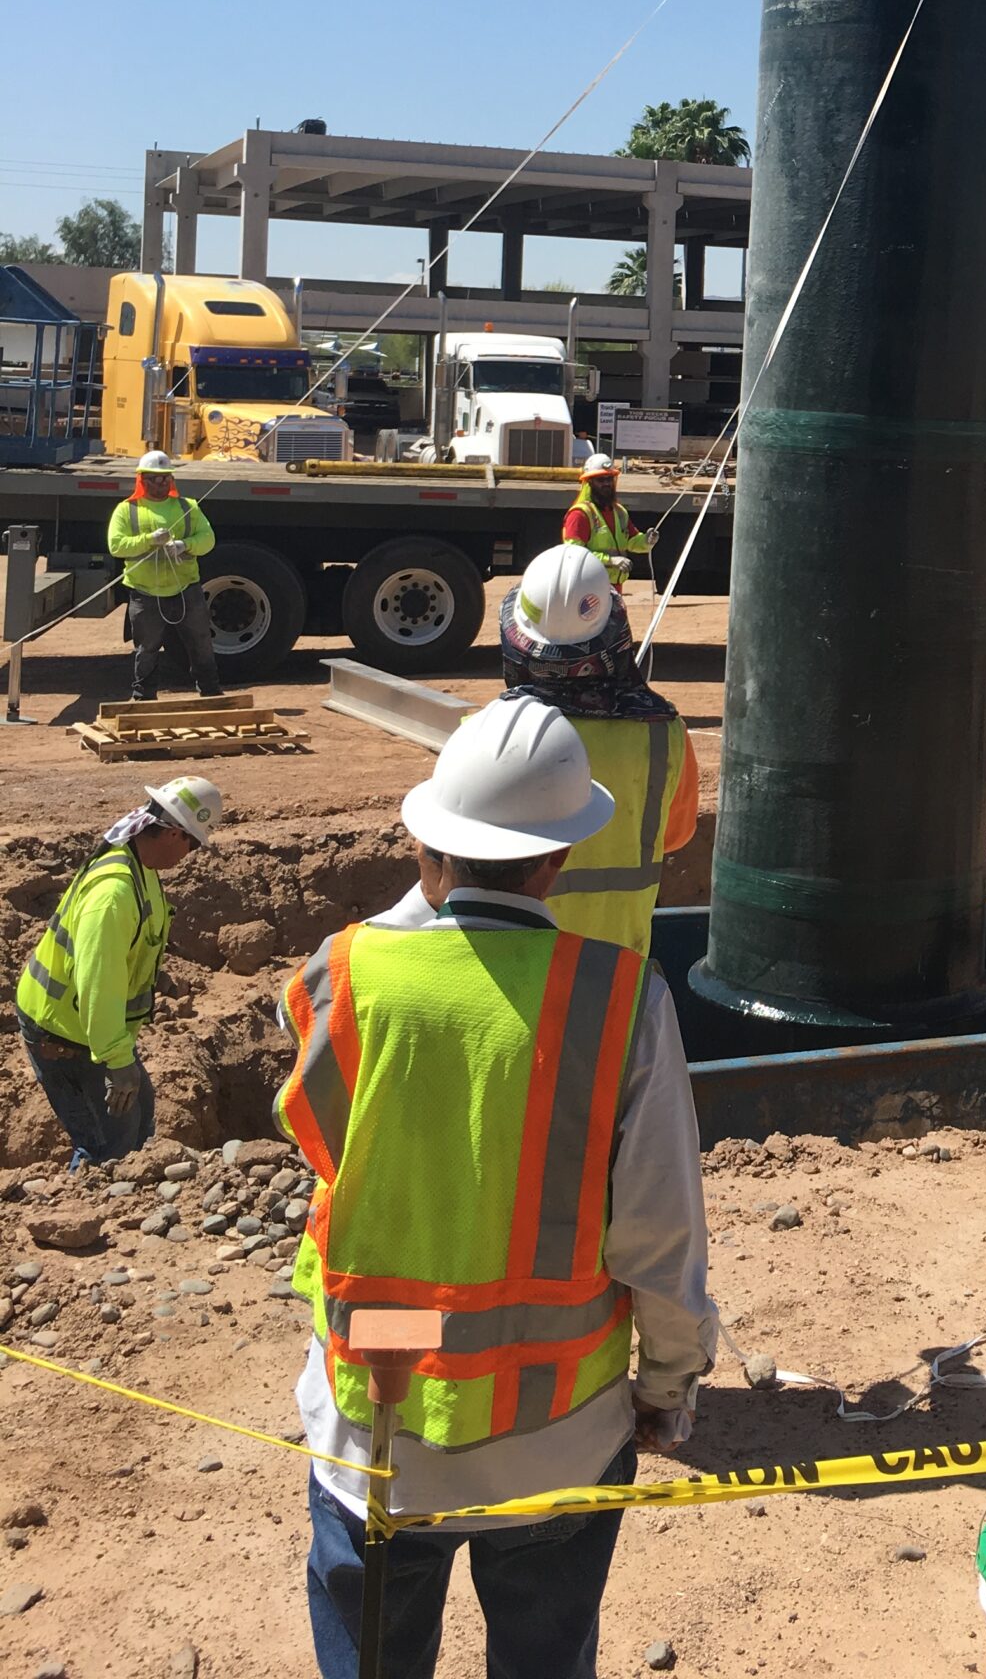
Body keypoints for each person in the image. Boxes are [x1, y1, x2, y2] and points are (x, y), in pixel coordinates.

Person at [279, 695, 716, 1679]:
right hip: (560, 1436)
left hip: (374, 1421)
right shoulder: (620, 999)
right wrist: (667, 1387)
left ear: (426, 842)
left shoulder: (344, 975)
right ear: (559, 859)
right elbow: (659, 1236)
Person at [499, 542, 699, 963]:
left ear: (518, 645)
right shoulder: (666, 735)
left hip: (515, 976)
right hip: (618, 975)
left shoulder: (486, 736)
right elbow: (675, 836)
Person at [16, 775, 221, 1167]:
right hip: (64, 1031)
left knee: (138, 1116)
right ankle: (86, 1215)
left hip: (86, 1025)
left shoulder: (138, 865)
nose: (191, 854)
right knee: (108, 1146)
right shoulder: (114, 896)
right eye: (194, 843)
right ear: (174, 834)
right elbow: (98, 983)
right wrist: (116, 1058)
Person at [107, 452, 221, 700]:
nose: (160, 483)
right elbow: (117, 546)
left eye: (165, 478)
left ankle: (211, 693)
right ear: (142, 480)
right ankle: (143, 697)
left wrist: (185, 545)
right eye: (154, 479)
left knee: (201, 643)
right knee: (146, 648)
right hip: (145, 592)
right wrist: (149, 540)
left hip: (186, 589)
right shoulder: (127, 510)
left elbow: (208, 539)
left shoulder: (187, 507)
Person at [562, 453, 652, 593]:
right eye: (601, 480)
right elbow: (573, 554)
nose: (607, 484)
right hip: (587, 588)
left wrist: (647, 541)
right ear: (589, 483)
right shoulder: (580, 514)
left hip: (614, 587)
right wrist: (610, 560)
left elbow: (632, 541)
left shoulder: (619, 512)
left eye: (609, 479)